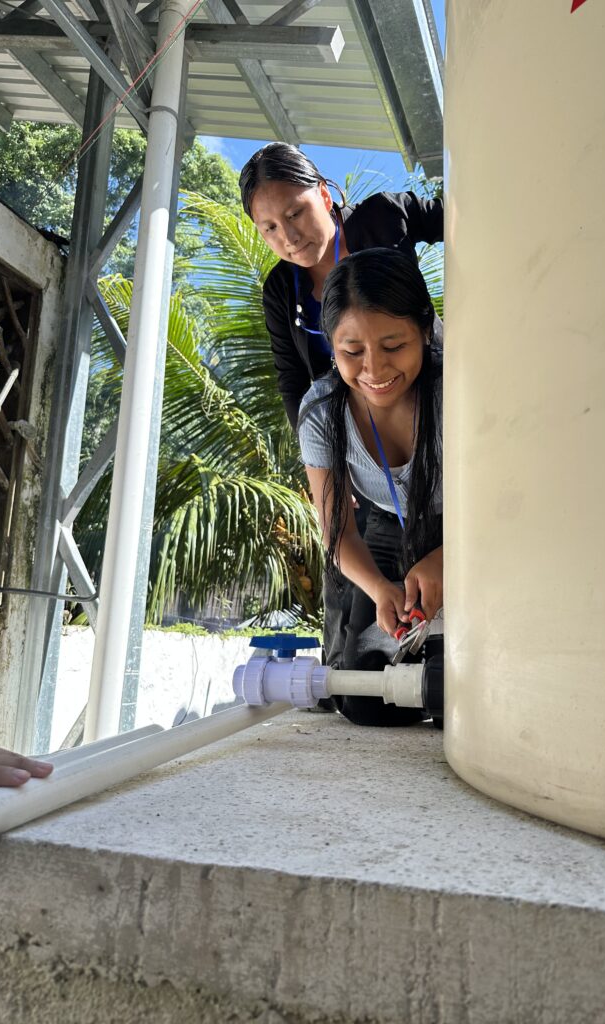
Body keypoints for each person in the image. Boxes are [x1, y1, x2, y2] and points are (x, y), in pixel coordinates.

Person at [297, 248, 442, 727]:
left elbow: (517, 506)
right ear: (331, 347)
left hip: (480, 532)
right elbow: (339, 534)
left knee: (463, 689)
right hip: (385, 527)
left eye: (394, 345)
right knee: (363, 696)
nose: (374, 372)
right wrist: (381, 589)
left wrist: (452, 558)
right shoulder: (322, 413)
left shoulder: (463, 390)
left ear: (425, 329)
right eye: (352, 352)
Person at [238, 142, 443, 430]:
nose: (290, 237)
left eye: (295, 214)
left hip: (441, 396)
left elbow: (469, 220)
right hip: (363, 437)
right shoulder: (279, 288)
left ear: (323, 194)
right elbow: (292, 381)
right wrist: (319, 455)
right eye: (270, 227)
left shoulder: (385, 215)